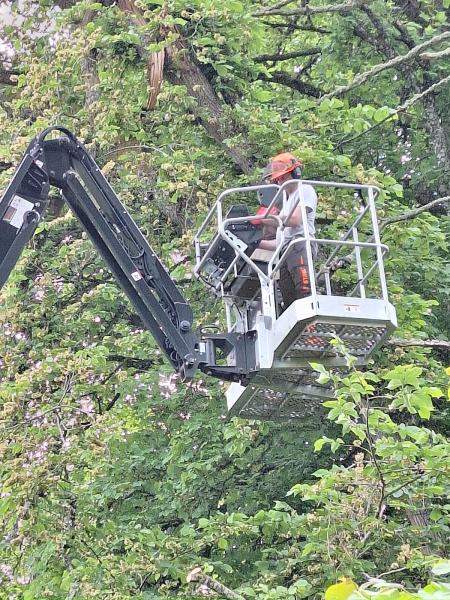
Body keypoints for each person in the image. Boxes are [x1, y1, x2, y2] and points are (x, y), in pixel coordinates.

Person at [259, 152, 318, 310]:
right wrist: (256, 243)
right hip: (286, 251)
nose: (280, 181)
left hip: (299, 246)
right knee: (290, 299)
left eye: (283, 177)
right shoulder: (286, 202)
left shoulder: (304, 190)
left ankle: (310, 330)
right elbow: (279, 242)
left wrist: (266, 219)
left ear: (295, 173)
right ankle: (299, 331)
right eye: (278, 178)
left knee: (304, 291)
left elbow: (295, 220)